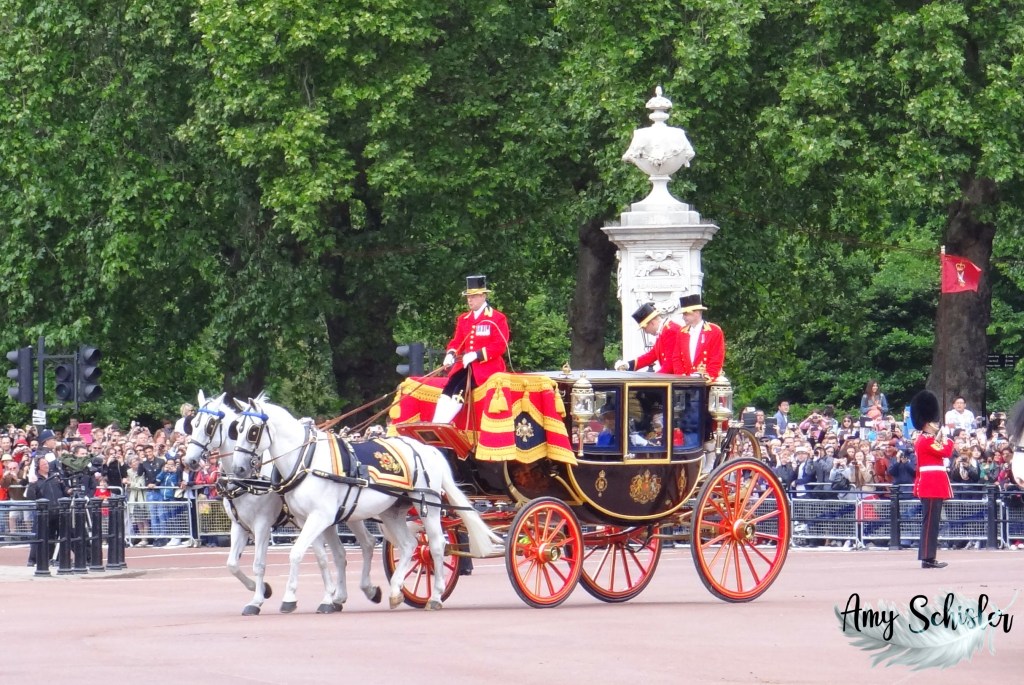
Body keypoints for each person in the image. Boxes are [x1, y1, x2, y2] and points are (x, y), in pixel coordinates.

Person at [432, 274, 511, 425]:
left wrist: (477, 355)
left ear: (483, 296)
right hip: (466, 365)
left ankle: (442, 424)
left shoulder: (497, 318)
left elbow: (499, 345)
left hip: (487, 368)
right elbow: (457, 341)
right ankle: (435, 423)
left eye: (473, 296)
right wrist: (450, 353)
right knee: (449, 386)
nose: (469, 300)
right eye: (468, 296)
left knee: (460, 389)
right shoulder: (464, 319)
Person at [910, 390, 954, 569]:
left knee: (932, 523)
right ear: (927, 423)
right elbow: (946, 451)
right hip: (931, 486)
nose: (937, 424)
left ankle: (928, 556)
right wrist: (947, 438)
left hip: (933, 485)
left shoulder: (927, 439)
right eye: (935, 422)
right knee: (930, 524)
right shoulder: (926, 441)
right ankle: (928, 558)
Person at [614, 303, 683, 373]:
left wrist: (654, 380)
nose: (645, 332)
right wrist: (629, 365)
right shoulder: (663, 331)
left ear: (652, 323)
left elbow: (669, 364)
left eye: (644, 328)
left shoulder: (670, 331)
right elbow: (651, 355)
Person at [673, 293, 725, 379]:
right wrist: (681, 377)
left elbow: (716, 359)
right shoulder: (682, 332)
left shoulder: (714, 331)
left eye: (686, 314)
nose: (683, 317)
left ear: (697, 312)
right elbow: (676, 358)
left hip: (706, 382)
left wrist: (706, 377)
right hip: (685, 382)